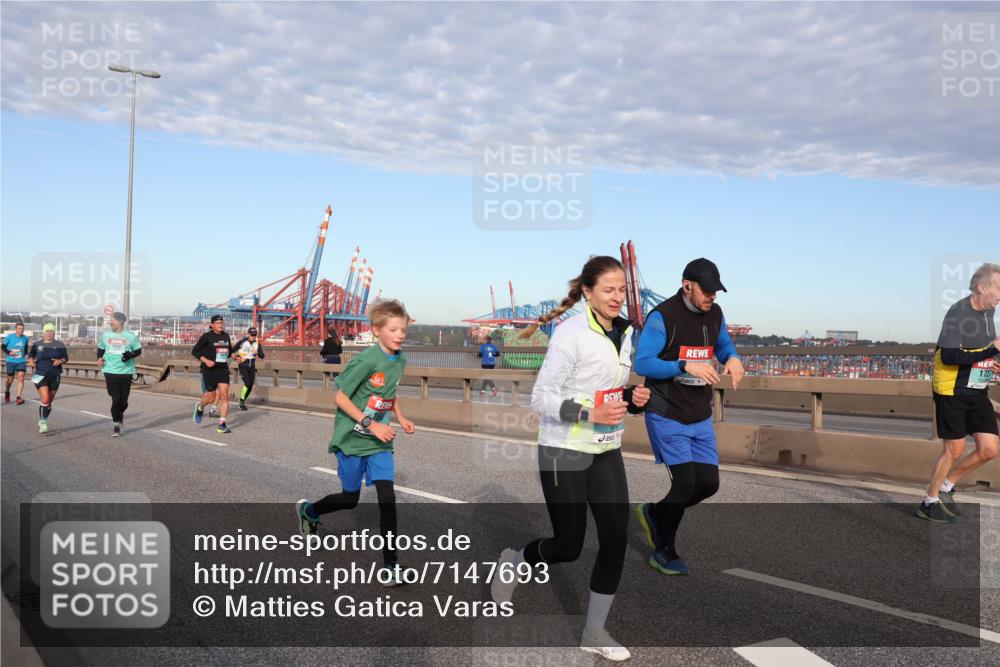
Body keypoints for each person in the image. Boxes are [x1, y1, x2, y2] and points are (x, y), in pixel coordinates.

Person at [491, 256, 650, 662]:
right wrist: (588, 413)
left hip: (606, 449)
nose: (617, 297)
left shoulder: (627, 333)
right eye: (609, 290)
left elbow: (611, 390)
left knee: (615, 541)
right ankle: (514, 562)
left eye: (621, 290)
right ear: (588, 292)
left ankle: (594, 632)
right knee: (568, 546)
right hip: (564, 449)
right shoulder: (570, 333)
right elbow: (541, 398)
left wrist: (632, 399)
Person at [633, 258, 744, 576]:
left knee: (708, 484)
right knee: (684, 485)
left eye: (716, 291)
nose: (712, 297)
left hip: (699, 413)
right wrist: (682, 366)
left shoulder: (715, 314)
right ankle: (664, 551)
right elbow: (643, 364)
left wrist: (732, 358)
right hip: (667, 412)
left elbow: (722, 344)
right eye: (707, 291)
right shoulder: (662, 317)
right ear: (687, 286)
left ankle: (655, 513)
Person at [297, 300, 416, 584]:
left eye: (403, 329)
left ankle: (390, 566)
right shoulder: (365, 360)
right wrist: (370, 423)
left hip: (379, 441)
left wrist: (399, 416)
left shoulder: (400, 359)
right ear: (376, 331)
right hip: (352, 438)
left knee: (387, 499)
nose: (400, 335)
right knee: (350, 500)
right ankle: (309, 510)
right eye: (394, 329)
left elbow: (389, 391)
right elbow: (340, 398)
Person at [918, 263, 1000, 523]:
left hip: (976, 387)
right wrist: (990, 351)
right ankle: (928, 502)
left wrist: (993, 359)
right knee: (954, 448)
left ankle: (946, 487)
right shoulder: (958, 313)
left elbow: (987, 347)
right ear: (981, 287)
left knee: (989, 449)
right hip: (951, 387)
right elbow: (951, 355)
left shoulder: (990, 311)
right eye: (999, 288)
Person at [97, 312, 142, 437]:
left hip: (126, 371)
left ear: (121, 322)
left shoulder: (130, 336)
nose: (110, 322)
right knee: (116, 399)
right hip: (110, 370)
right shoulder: (106, 335)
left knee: (124, 402)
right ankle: (116, 424)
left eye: (113, 320)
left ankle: (119, 414)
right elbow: (101, 347)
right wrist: (99, 358)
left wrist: (130, 355)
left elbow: (138, 350)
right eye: (110, 320)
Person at [191, 315, 234, 433]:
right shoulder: (206, 337)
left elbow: (230, 352)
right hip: (209, 370)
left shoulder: (226, 336)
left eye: (222, 322)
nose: (220, 324)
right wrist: (206, 361)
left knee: (224, 395)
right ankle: (200, 407)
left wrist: (234, 356)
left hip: (223, 369)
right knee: (211, 398)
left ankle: (222, 424)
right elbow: (195, 351)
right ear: (212, 325)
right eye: (217, 322)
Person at [27, 323, 68, 434]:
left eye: (51, 331)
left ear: (54, 333)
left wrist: (59, 361)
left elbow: (66, 358)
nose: (49, 333)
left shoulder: (59, 344)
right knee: (45, 399)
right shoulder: (37, 344)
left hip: (55, 375)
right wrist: (30, 360)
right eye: (47, 331)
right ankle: (44, 422)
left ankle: (42, 419)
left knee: (49, 402)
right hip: (40, 375)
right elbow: (31, 355)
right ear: (43, 332)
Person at [232, 327, 265, 411]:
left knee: (250, 386)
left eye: (255, 335)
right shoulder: (242, 342)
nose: (253, 336)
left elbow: (262, 356)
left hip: (252, 367)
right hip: (243, 366)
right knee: (247, 383)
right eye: (252, 335)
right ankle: (241, 402)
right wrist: (238, 358)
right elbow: (232, 351)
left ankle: (242, 400)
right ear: (248, 334)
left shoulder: (257, 343)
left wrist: (257, 352)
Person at [3, 322, 30, 404]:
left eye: (22, 329)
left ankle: (18, 397)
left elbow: (25, 349)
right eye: (19, 329)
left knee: (21, 377)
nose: (21, 330)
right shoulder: (10, 337)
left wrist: (27, 355)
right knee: (10, 380)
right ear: (16, 329)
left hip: (21, 361)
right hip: (10, 361)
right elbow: (2, 346)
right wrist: (9, 352)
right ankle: (7, 391)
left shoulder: (25, 338)